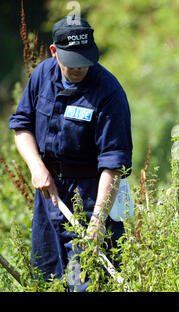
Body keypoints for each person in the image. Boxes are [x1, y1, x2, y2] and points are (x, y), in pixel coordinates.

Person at [8, 17, 132, 290]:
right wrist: (37, 168)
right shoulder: (42, 75)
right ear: (54, 52)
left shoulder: (109, 93)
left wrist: (98, 221)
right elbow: (22, 126)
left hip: (91, 198)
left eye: (85, 59)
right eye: (71, 60)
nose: (79, 67)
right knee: (48, 280)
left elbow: (113, 163)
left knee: (84, 283)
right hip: (49, 196)